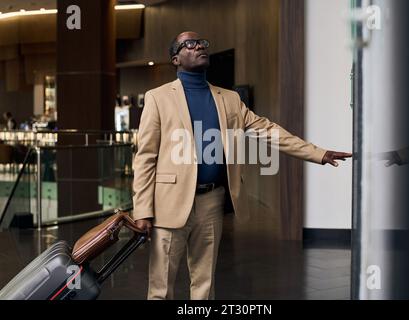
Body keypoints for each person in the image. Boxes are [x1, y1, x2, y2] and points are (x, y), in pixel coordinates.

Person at [132, 31, 352, 300]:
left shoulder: (229, 99)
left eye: (202, 42)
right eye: (190, 44)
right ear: (176, 58)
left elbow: (269, 130)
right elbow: (145, 158)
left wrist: (318, 153)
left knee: (204, 284)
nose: (200, 45)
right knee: (161, 287)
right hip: (168, 202)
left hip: (211, 201)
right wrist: (143, 210)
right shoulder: (158, 97)